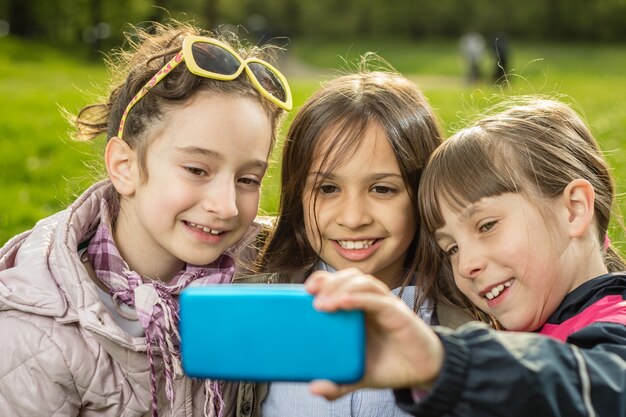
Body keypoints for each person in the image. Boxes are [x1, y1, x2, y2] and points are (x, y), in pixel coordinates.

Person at [0, 21, 292, 417]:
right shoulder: (38, 339)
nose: (226, 206)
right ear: (125, 166)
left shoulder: (273, 268)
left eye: (248, 179)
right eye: (197, 169)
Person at [305, 97, 626, 416]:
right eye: (451, 248)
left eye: (487, 226)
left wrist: (447, 364)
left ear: (573, 209)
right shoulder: (516, 331)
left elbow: (605, 386)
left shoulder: (615, 326)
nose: (467, 265)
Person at [255, 63, 474, 417]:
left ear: (421, 195)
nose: (354, 218)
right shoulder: (255, 296)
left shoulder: (466, 320)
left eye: (382, 189)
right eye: (328, 188)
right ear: (297, 194)